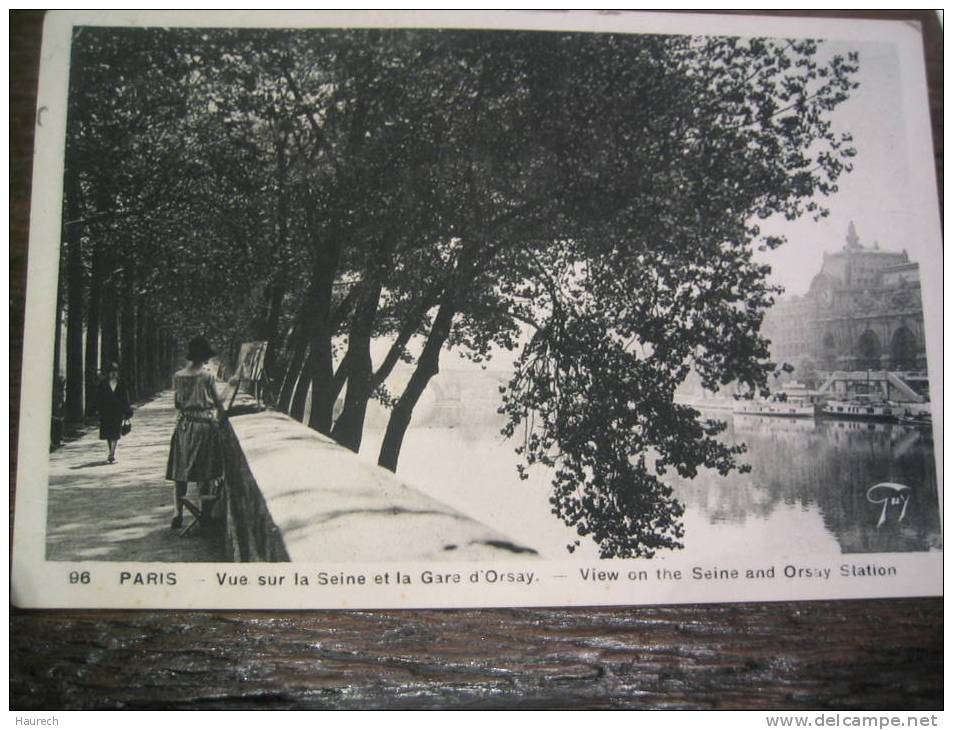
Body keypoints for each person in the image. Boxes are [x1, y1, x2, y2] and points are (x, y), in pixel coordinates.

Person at [165, 336, 229, 529]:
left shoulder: (178, 376)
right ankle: (204, 513)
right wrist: (231, 386)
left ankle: (178, 512)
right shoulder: (207, 377)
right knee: (205, 472)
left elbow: (177, 403)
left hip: (184, 426)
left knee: (179, 471)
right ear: (204, 357)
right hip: (203, 427)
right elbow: (218, 404)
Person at [97, 362, 133, 464]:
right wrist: (98, 410)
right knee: (108, 434)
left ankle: (112, 454)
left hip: (117, 412)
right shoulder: (103, 384)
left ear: (118, 373)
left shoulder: (122, 383)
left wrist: (127, 411)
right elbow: (99, 398)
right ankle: (111, 451)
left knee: (115, 433)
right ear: (108, 373)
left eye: (115, 372)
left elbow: (126, 398)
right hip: (106, 412)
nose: (113, 374)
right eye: (111, 372)